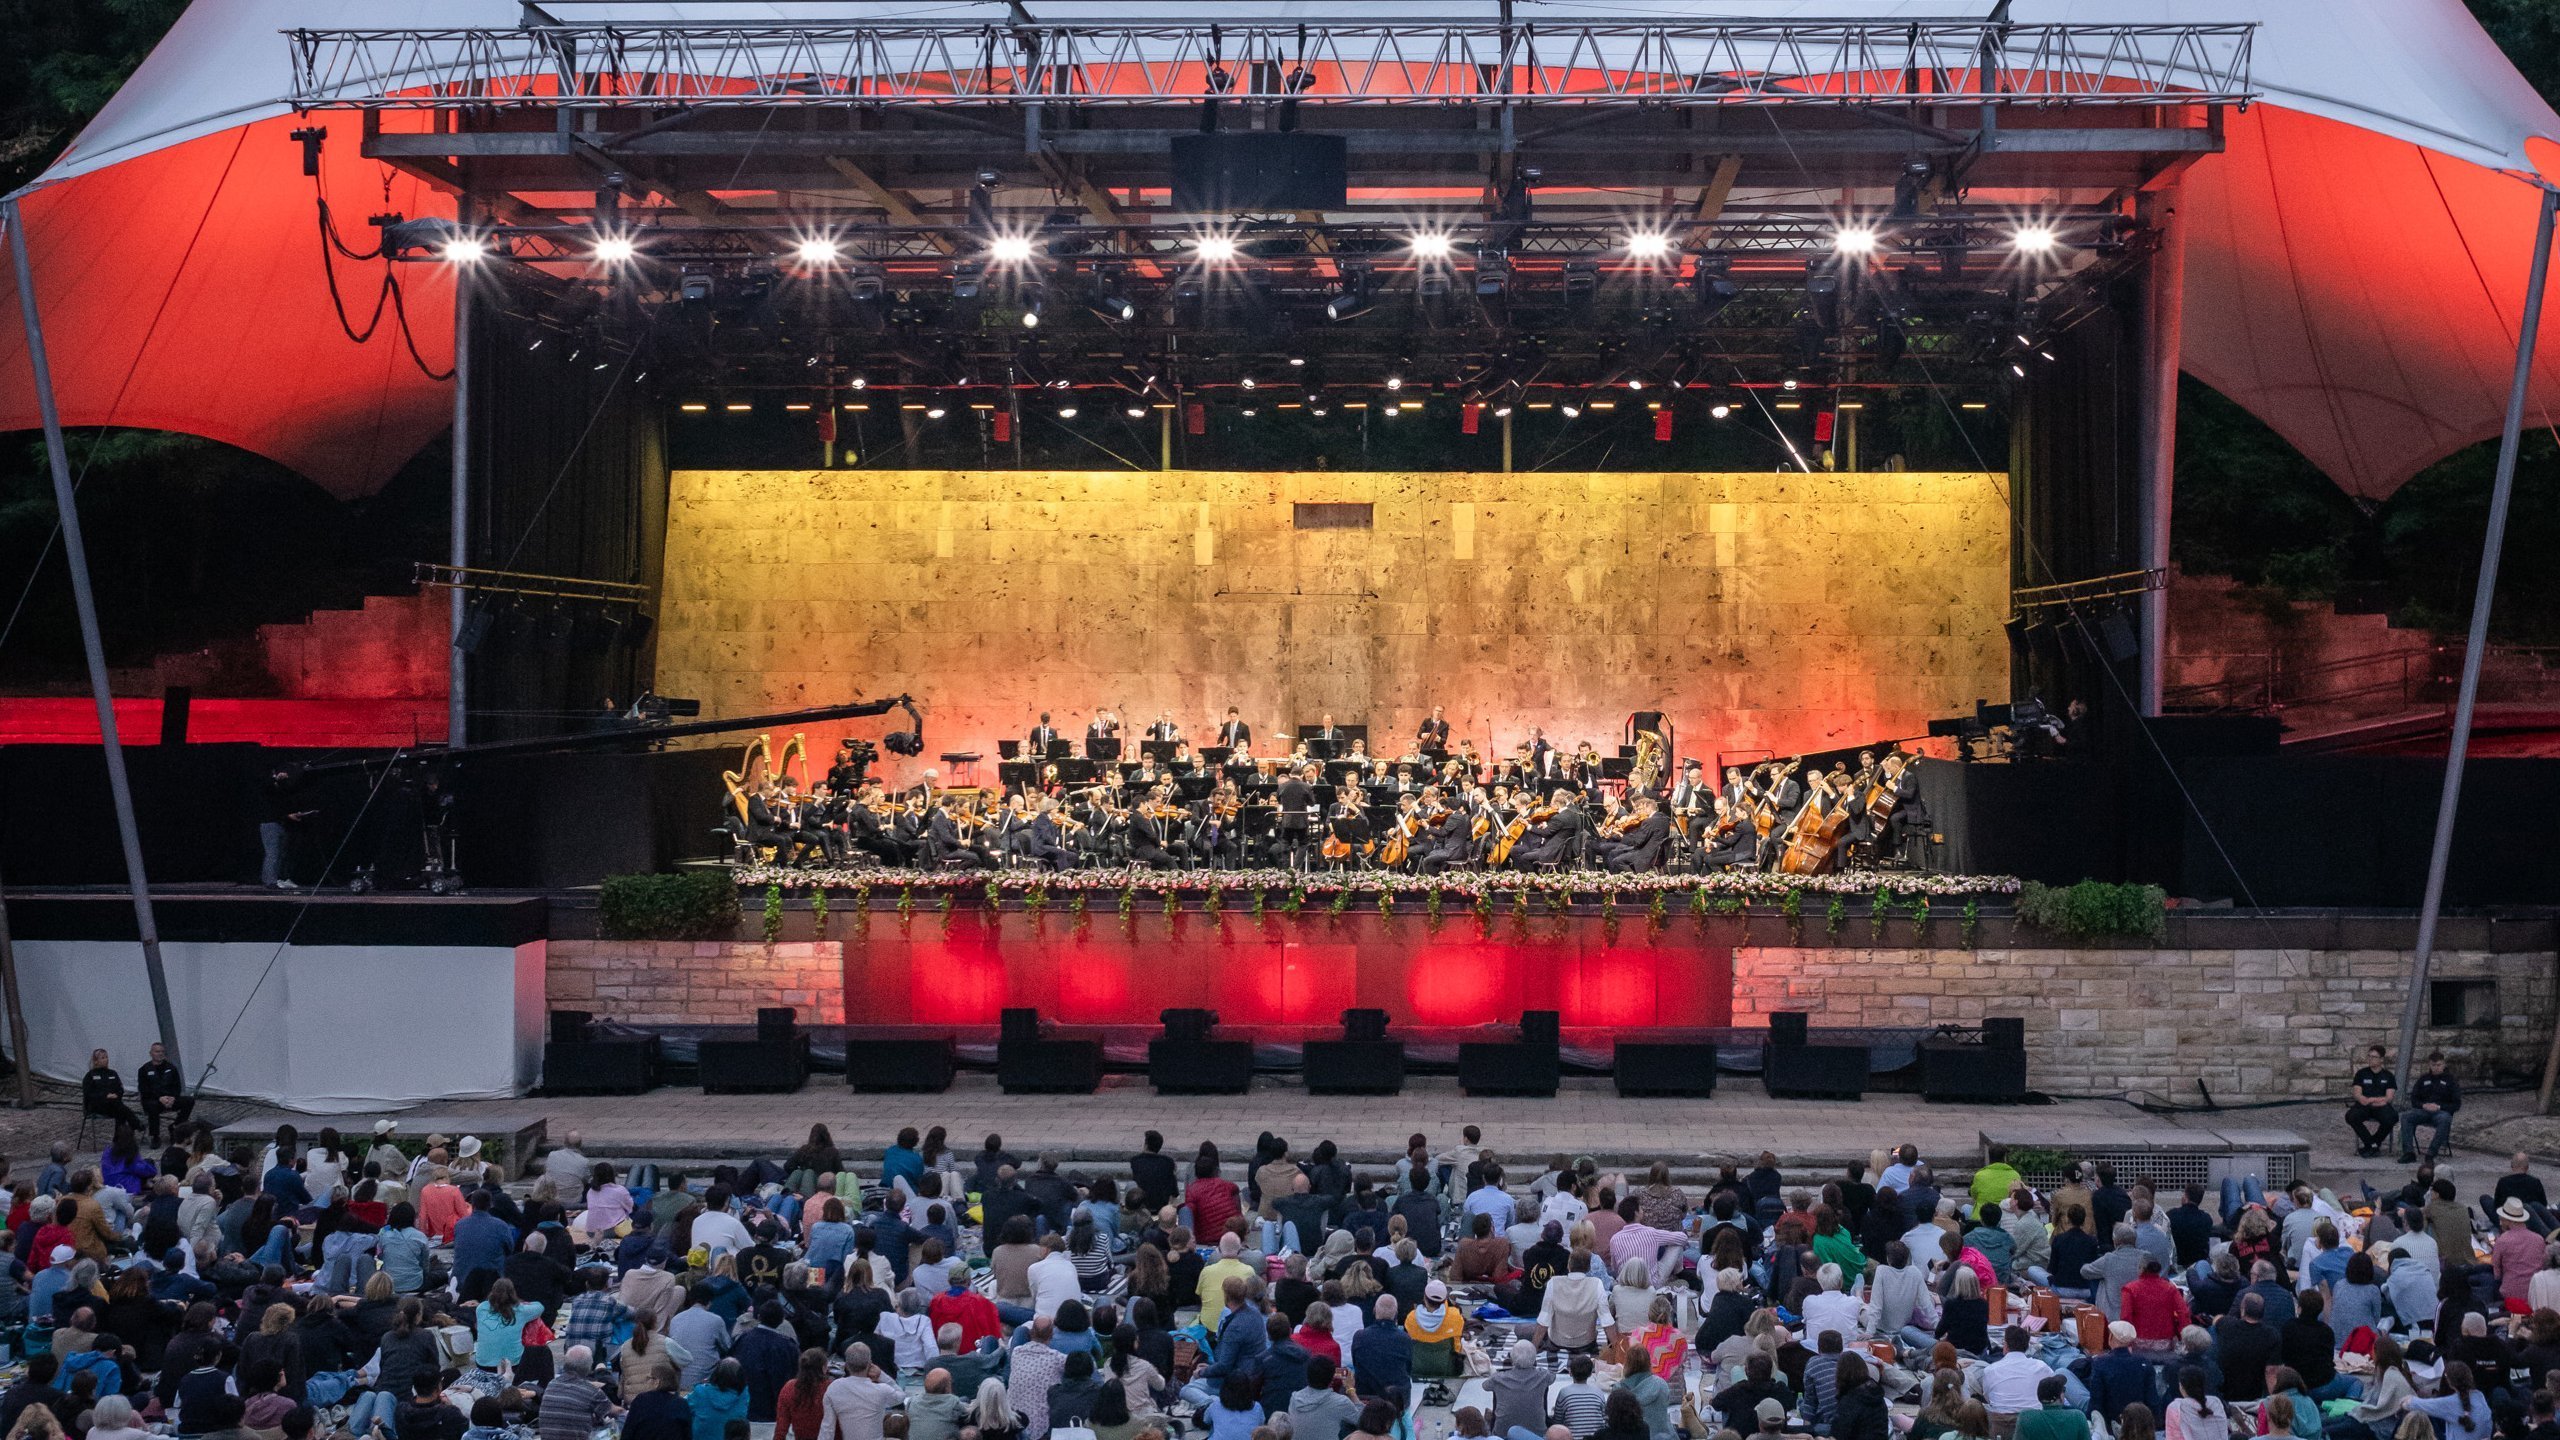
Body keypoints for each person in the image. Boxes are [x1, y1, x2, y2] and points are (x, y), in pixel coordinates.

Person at [2398, 1052, 2462, 1164]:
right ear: (2429, 1065)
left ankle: (2431, 1154)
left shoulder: (2451, 1081)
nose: (2436, 1068)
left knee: (2445, 1119)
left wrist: (2439, 1106)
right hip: (2423, 1111)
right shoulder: (2423, 1079)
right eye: (2433, 1065)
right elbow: (2414, 1099)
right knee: (2406, 1117)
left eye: (2439, 1065)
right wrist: (2424, 1105)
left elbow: (2456, 1104)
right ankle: (2408, 1153)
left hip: (2441, 1112)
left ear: (2443, 1065)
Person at [2347, 1047, 2400, 1158]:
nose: (2370, 1059)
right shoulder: (2361, 1073)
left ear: (2381, 1059)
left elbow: (2389, 1097)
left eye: (2374, 1057)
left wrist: (2373, 1100)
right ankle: (2372, 1144)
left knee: (2392, 1118)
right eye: (2369, 1056)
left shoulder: (2388, 1076)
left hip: (2381, 1106)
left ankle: (2372, 1144)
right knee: (2351, 1116)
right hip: (2364, 1105)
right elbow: (2357, 1094)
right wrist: (2369, 1100)